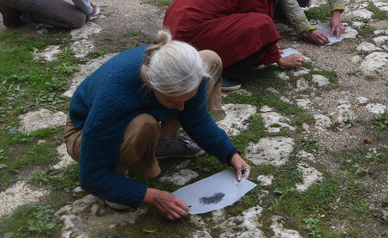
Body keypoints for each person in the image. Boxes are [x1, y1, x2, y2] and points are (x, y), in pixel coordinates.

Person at [65, 29, 250, 219]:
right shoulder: (114, 99)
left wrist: (231, 154)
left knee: (210, 59)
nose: (181, 108)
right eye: (174, 100)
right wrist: (150, 196)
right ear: (152, 87)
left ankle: (160, 143)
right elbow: (90, 177)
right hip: (83, 131)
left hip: (129, 109)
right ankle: (118, 174)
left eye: (186, 99)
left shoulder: (191, 74)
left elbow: (196, 118)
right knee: (144, 125)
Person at [163, 0, 305, 90]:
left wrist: (267, 51)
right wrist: (278, 58)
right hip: (189, 36)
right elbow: (263, 25)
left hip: (173, 28)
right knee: (261, 23)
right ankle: (228, 75)